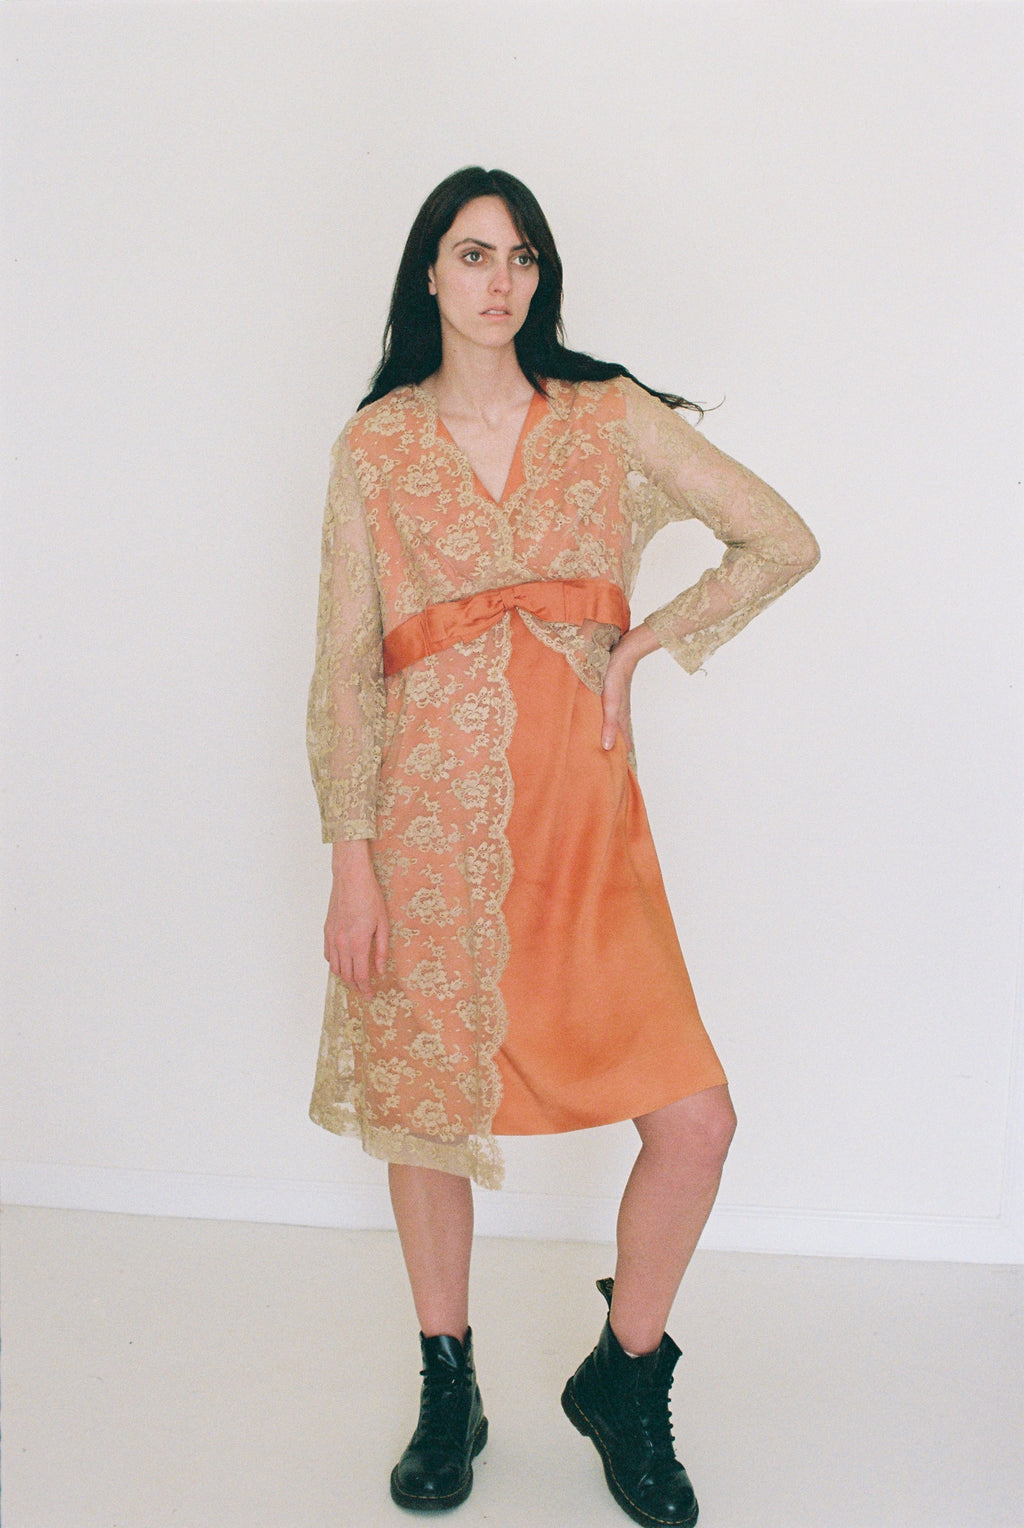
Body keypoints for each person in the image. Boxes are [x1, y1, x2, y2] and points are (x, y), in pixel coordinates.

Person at [307, 166, 818, 1527]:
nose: (501, 280)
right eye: (473, 255)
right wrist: (351, 856)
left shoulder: (604, 420)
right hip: (427, 827)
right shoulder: (376, 446)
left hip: (588, 829)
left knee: (695, 1123)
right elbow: (344, 669)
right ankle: (445, 1377)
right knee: (425, 1108)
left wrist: (648, 640)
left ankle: (625, 1375)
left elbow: (780, 538)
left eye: (522, 256)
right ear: (430, 275)